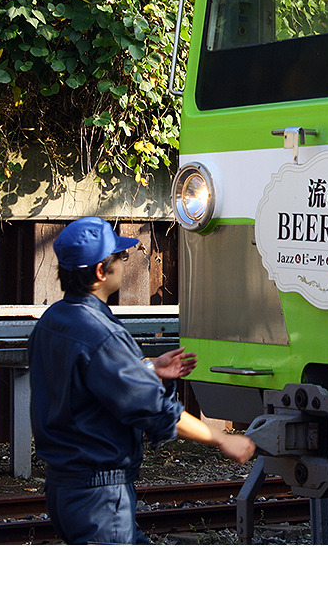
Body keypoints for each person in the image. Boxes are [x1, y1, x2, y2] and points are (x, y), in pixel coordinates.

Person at [28, 216, 255, 544]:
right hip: (99, 493)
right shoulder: (101, 335)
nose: (124, 262)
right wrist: (221, 439)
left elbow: (83, 384)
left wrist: (146, 370)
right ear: (100, 272)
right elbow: (153, 408)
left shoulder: (53, 320)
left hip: (64, 487)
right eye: (120, 257)